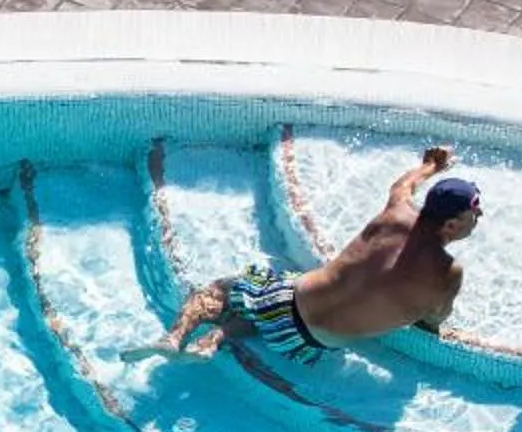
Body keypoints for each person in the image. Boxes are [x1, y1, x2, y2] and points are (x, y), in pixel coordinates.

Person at [140, 147, 481, 361]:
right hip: (310, 344)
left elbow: (402, 186)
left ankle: (175, 337)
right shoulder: (449, 273)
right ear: (450, 226)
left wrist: (429, 166)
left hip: (286, 304)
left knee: (221, 290)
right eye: (474, 211)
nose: (479, 217)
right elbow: (433, 319)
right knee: (260, 314)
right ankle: (217, 338)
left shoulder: (395, 213)